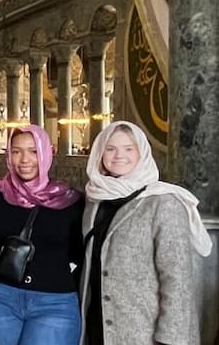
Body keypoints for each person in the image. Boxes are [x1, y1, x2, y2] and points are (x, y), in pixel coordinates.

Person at [80, 121, 211, 345]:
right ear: (100, 154)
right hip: (99, 324)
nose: (119, 155)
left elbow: (177, 279)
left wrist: (171, 338)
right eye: (110, 148)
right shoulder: (95, 200)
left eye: (129, 148)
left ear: (142, 152)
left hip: (144, 330)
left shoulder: (163, 203)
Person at [0, 125, 85, 345]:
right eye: (16, 151)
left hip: (53, 302)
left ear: (46, 153)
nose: (24, 159)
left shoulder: (71, 201)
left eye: (33, 151)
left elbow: (78, 253)